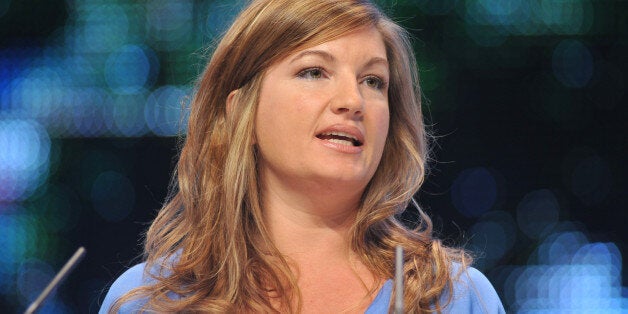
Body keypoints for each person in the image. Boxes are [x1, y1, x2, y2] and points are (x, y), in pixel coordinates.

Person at [100, 0, 505, 312]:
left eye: (373, 81)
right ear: (241, 110)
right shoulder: (152, 301)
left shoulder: (454, 298)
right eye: (314, 72)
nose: (353, 101)